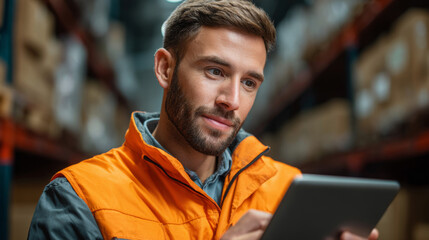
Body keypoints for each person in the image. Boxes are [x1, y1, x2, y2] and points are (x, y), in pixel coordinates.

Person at [28, 0, 379, 239]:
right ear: (165, 68)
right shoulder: (78, 198)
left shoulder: (290, 191)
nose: (232, 101)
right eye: (215, 71)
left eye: (249, 82)